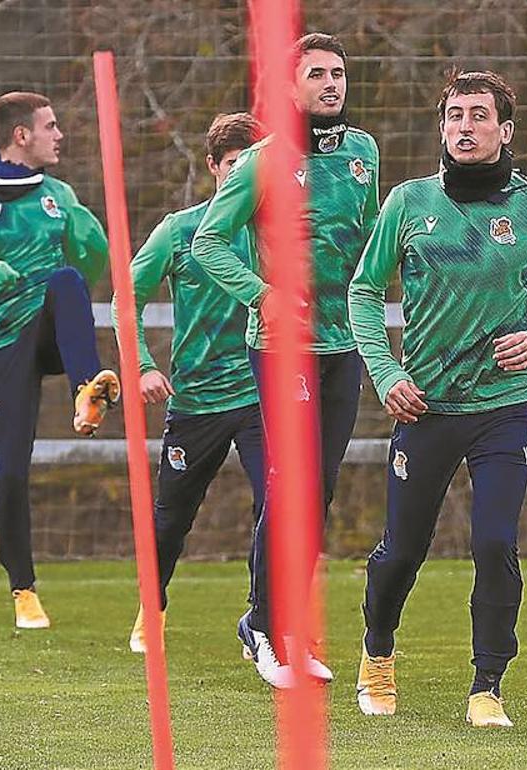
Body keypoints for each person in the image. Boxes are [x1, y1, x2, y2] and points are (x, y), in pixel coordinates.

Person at [348, 71, 527, 725]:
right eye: (454, 114)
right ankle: (377, 653)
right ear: (442, 127)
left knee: (493, 541)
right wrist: (387, 371)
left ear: (505, 131)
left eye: (479, 115)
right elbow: (364, 292)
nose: (465, 126)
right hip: (426, 408)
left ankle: (487, 686)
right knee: (402, 549)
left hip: (505, 408)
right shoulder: (407, 201)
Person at [192, 32, 379, 688]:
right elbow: (209, 242)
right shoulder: (261, 163)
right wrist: (262, 294)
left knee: (320, 492)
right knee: (292, 486)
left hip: (344, 344)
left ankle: (284, 624)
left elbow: (371, 242)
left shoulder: (363, 153)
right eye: (317, 74)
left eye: (338, 73)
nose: (331, 83)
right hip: (282, 349)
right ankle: (266, 627)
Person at [0, 91, 118, 630]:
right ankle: (23, 589)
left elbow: (90, 266)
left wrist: (93, 240)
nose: (60, 135)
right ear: (22, 135)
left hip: (50, 332)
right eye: (51, 126)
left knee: (65, 279)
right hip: (1, 344)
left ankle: (87, 391)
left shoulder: (59, 193)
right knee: (10, 472)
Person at [119, 112, 263, 654]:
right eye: (232, 165)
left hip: (259, 393)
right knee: (171, 517)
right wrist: (143, 366)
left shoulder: (275, 232)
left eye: (252, 163)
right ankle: (150, 606)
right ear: (212, 168)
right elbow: (124, 298)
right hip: (197, 399)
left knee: (276, 506)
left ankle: (263, 618)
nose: (242, 174)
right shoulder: (181, 230)